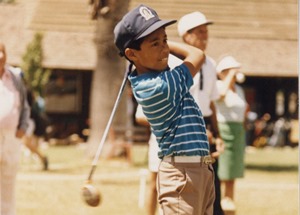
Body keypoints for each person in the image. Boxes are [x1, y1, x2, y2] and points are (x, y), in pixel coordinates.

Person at [114, 5, 215, 215]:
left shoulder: (156, 77)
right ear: (132, 53)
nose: (165, 49)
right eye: (155, 43)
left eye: (165, 40)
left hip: (200, 168)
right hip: (182, 174)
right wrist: (174, 44)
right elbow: (197, 54)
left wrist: (158, 44)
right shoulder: (160, 86)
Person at [177, 11, 225, 215]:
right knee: (190, 180)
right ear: (186, 36)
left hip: (207, 129)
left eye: (206, 32)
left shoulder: (211, 64)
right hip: (187, 128)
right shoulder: (177, 64)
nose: (205, 36)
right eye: (200, 32)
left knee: (211, 177)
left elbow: (211, 102)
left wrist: (218, 132)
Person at [215, 56, 249, 213]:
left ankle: (229, 202)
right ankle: (218, 204)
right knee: (223, 170)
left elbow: (243, 109)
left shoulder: (239, 89)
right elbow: (220, 97)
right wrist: (229, 76)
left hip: (238, 131)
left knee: (233, 171)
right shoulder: (219, 85)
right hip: (224, 129)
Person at [0, 42, 31, 215]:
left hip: (12, 136)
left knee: (8, 178)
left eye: (2, 52)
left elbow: (25, 106)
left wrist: (23, 127)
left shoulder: (14, 77)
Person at [24, 88, 49, 170]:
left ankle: (43, 158)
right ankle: (42, 159)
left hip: (30, 121)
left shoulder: (22, 90)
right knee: (30, 144)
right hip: (32, 120)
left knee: (27, 143)